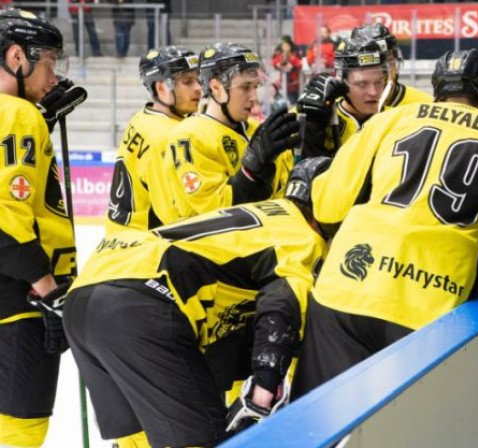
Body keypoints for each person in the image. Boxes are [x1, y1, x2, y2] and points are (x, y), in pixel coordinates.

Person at [292, 49, 478, 398]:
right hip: (429, 310)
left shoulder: (389, 120)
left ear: (436, 92)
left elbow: (330, 207)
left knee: (319, 422)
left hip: (345, 291)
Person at [62, 158, 330, 448]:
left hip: (88, 291)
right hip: (142, 300)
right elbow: (282, 306)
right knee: (200, 442)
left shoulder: (268, 213)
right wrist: (262, 394)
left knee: (138, 440)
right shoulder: (305, 237)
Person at [0, 9, 77, 447]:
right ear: (16, 57)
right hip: (20, 297)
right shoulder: (16, 114)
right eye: (48, 61)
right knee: (22, 430)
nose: (54, 76)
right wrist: (49, 291)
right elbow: (5, 214)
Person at [163, 42, 299, 223]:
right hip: (210, 248)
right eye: (245, 88)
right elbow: (214, 214)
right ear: (216, 88)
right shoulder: (190, 136)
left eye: (255, 87)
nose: (253, 97)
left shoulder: (255, 129)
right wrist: (251, 174)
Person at [106, 45, 201, 234]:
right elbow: (175, 216)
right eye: (188, 82)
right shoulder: (169, 136)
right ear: (161, 88)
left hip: (120, 236)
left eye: (198, 80)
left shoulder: (142, 118)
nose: (198, 88)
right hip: (146, 247)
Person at [296, 36, 388, 158]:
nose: (373, 92)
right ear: (341, 80)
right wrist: (311, 129)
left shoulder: (395, 121)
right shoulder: (322, 120)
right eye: (362, 84)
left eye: (378, 82)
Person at [350, 22, 431, 110]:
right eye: (372, 62)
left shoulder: (426, 105)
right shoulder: (337, 106)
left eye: (388, 60)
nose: (382, 70)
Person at [271, 36, 302, 104]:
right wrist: (278, 64)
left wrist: (292, 66)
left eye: (287, 45)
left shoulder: (294, 54)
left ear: (290, 46)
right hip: (283, 84)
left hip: (293, 85)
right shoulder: (280, 55)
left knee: (293, 103)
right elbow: (274, 62)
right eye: (284, 45)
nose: (285, 47)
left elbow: (299, 64)